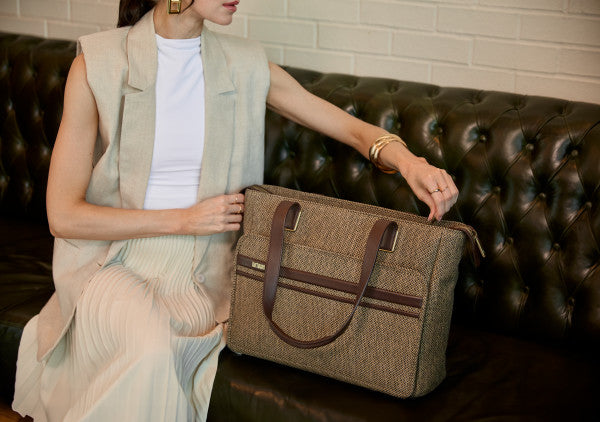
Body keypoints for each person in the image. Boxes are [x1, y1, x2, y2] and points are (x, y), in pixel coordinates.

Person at [12, 0, 459, 420]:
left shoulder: (245, 64)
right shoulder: (98, 63)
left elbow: (352, 130)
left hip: (207, 272)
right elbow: (63, 215)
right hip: (115, 261)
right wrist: (183, 219)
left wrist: (411, 163)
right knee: (151, 351)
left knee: (160, 353)